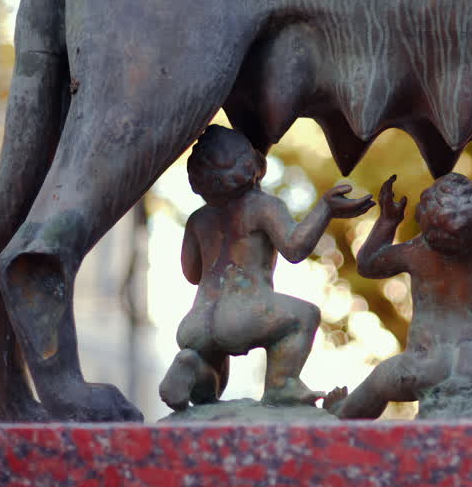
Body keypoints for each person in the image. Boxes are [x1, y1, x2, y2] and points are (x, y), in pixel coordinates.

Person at [159, 125, 374, 410]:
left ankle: (190, 365)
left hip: (197, 322)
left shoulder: (198, 219)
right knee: (304, 316)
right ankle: (281, 385)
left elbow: (191, 273)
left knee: (207, 391)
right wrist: (326, 209)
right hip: (244, 312)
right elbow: (295, 248)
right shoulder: (262, 206)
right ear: (252, 166)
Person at [326, 173, 472, 419]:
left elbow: (369, 264)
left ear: (427, 219)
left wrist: (388, 221)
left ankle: (341, 416)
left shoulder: (417, 250)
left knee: (378, 382)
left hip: (422, 365)